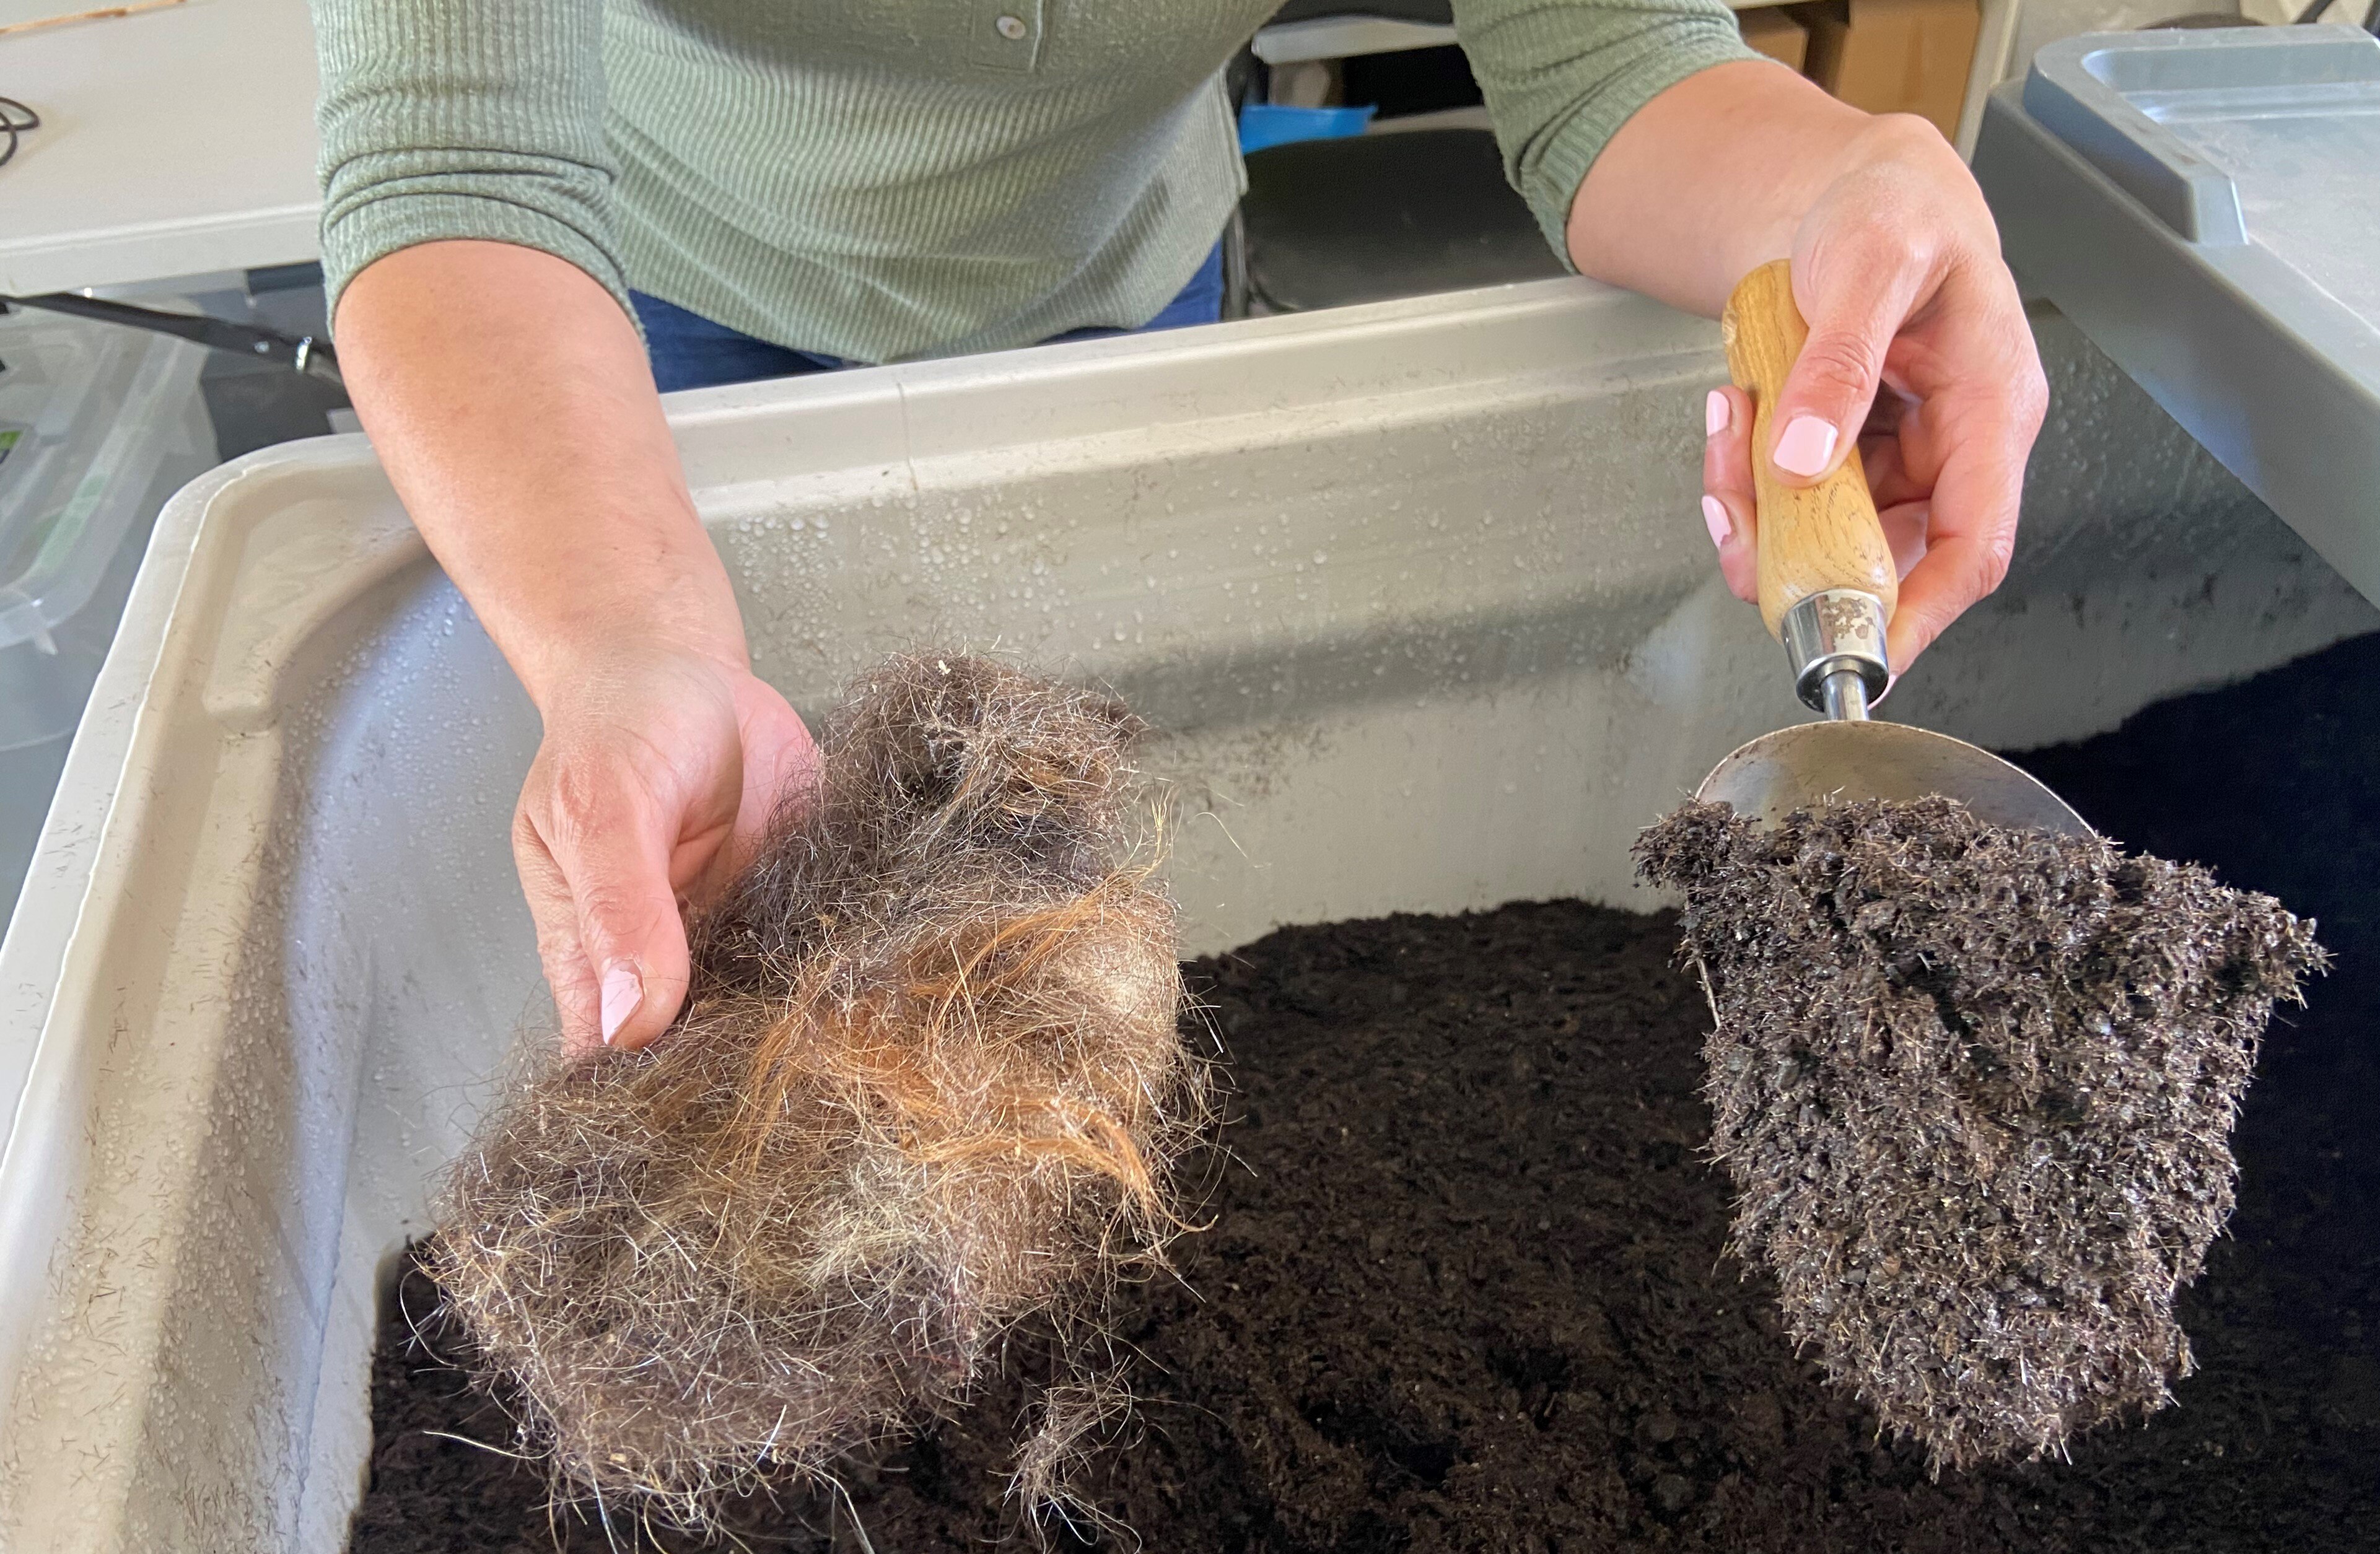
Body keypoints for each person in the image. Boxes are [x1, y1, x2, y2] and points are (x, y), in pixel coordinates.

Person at [310, 0, 2048, 1055]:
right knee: (760, 900)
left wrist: (1842, 185)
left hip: (1128, 289)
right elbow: (460, 166)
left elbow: (1611, 59)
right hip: (636, 335)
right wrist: (632, 633)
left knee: (1106, 887)